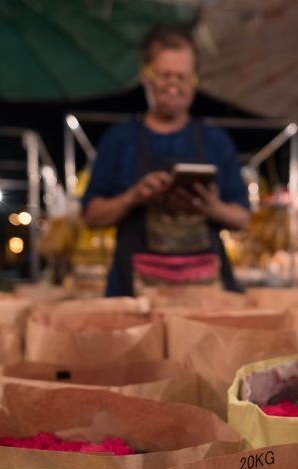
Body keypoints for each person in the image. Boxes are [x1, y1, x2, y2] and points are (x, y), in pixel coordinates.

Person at [82, 26, 250, 296]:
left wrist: (210, 206)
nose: (174, 87)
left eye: (183, 78)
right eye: (164, 76)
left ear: (194, 80)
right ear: (145, 76)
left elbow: (242, 218)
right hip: (135, 292)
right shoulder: (120, 139)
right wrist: (133, 197)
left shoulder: (215, 140)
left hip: (205, 292)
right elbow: (91, 215)